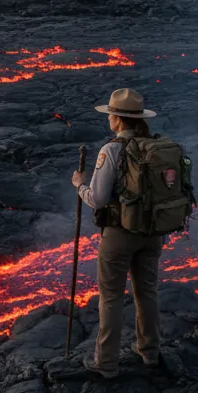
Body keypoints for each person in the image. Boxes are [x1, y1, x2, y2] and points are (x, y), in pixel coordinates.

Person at [70, 88, 164, 378]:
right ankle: (149, 353)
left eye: (111, 114)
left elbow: (98, 198)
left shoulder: (112, 149)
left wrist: (79, 185)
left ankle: (106, 364)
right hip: (152, 231)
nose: (109, 117)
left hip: (120, 233)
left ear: (118, 119)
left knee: (110, 297)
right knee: (146, 292)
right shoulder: (154, 146)